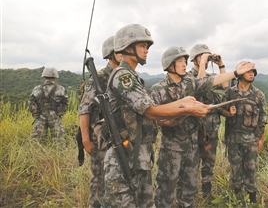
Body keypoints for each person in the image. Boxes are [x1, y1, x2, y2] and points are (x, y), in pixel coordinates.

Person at [102, 24, 211, 208]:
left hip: (138, 155)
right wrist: (187, 109)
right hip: (123, 158)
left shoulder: (133, 76)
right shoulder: (123, 76)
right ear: (128, 48)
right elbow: (151, 111)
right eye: (142, 46)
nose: (146, 50)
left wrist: (184, 103)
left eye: (147, 46)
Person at [151, 47, 255, 208]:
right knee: (166, 188)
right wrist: (179, 116)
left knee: (189, 188)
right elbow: (157, 117)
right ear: (170, 65)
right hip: (172, 148)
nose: (184, 64)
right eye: (180, 61)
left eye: (185, 61)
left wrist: (235, 73)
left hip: (192, 146)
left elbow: (212, 81)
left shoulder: (190, 83)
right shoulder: (159, 89)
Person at [78, 35, 122, 208]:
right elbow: (84, 109)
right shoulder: (100, 77)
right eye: (119, 50)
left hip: (121, 137)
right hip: (101, 139)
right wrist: (86, 140)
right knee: (99, 181)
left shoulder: (124, 76)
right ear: (110, 53)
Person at [220, 61, 267, 203]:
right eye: (248, 71)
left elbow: (263, 119)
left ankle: (252, 199)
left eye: (253, 72)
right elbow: (220, 110)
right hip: (233, 139)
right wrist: (229, 113)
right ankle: (237, 199)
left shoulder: (258, 95)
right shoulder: (230, 92)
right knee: (235, 169)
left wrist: (260, 139)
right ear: (240, 74)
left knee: (251, 170)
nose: (252, 73)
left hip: (251, 139)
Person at [187, 44, 228, 197]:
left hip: (212, 129)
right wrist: (203, 63)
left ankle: (207, 193)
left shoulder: (209, 77)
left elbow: (225, 85)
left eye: (207, 55)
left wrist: (221, 65)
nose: (205, 58)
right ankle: (189, 196)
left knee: (209, 163)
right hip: (196, 130)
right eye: (201, 56)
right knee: (192, 164)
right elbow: (200, 86)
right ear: (193, 60)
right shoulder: (188, 77)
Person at [28, 67, 69, 144]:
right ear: (55, 76)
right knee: (58, 140)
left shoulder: (37, 89)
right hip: (55, 116)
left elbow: (31, 102)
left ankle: (38, 155)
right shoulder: (60, 89)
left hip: (40, 116)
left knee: (37, 140)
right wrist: (60, 113)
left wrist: (36, 114)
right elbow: (65, 101)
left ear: (44, 76)